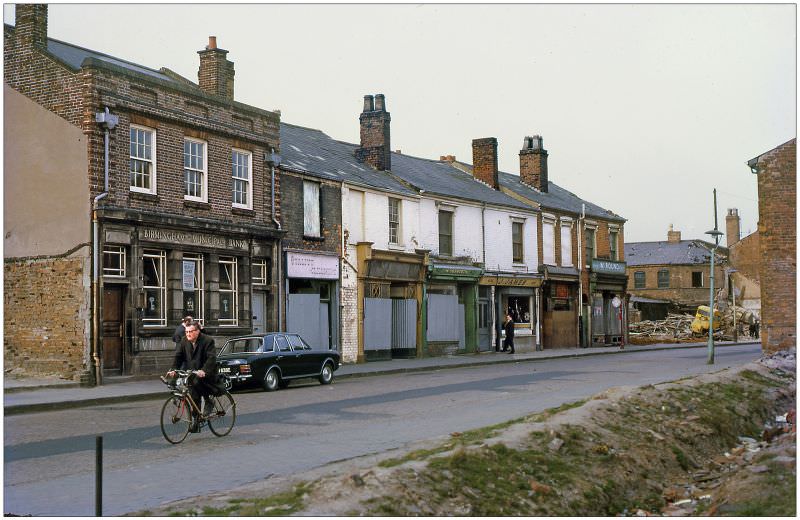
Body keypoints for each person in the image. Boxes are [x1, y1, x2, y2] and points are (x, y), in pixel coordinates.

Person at [167, 321, 218, 432]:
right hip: (193, 372)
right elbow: (178, 356)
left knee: (198, 384)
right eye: (186, 332)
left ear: (197, 331)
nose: (188, 334)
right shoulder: (184, 340)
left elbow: (211, 358)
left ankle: (209, 401)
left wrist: (204, 370)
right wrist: (173, 369)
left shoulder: (208, 340)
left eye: (190, 331)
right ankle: (196, 421)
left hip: (207, 372)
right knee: (193, 396)